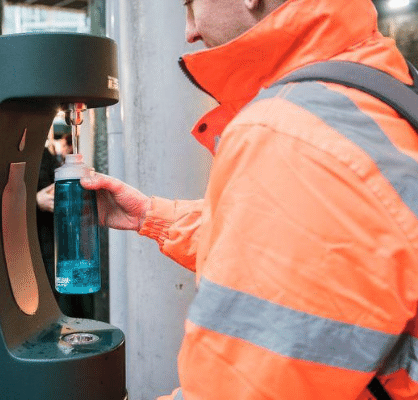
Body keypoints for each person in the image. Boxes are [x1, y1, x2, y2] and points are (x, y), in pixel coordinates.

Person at [80, 0, 418, 399]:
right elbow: (328, 245)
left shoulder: (288, 133)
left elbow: (244, 388)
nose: (189, 31)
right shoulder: (374, 80)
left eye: (190, 4)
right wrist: (151, 216)